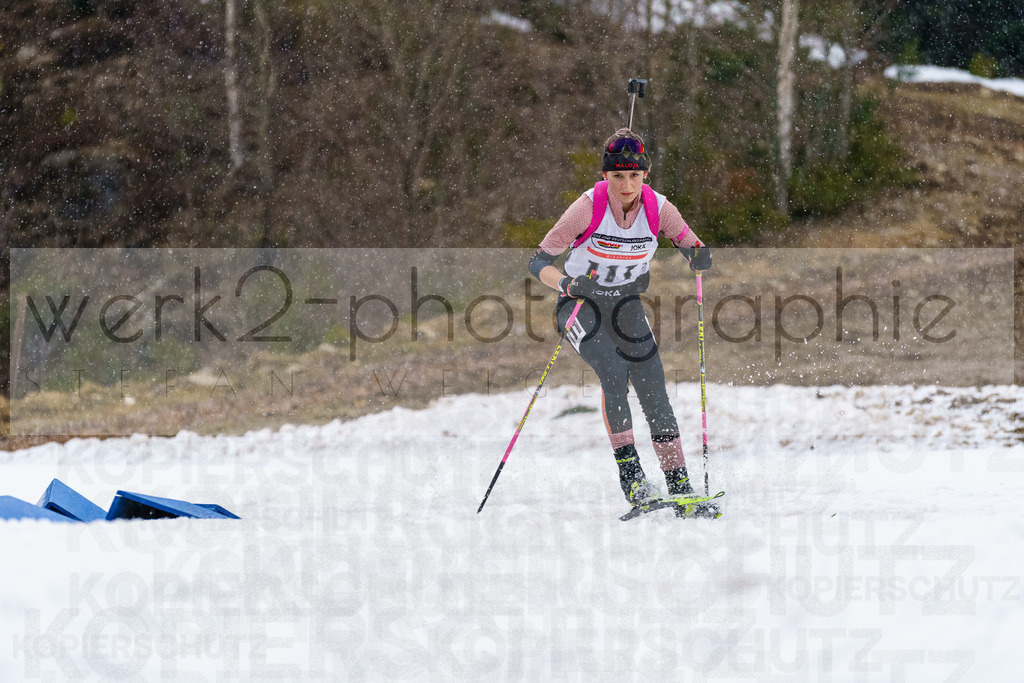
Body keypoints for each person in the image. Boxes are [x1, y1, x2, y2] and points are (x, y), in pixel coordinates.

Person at [528, 128, 712, 506]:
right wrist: (567, 284)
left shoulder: (660, 209)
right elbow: (539, 262)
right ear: (605, 175)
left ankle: (679, 484)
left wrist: (698, 254)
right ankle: (633, 480)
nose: (626, 184)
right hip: (580, 306)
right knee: (613, 373)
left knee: (653, 385)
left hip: (626, 305)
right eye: (617, 176)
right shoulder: (586, 206)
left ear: (646, 174)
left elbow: (690, 243)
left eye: (634, 175)